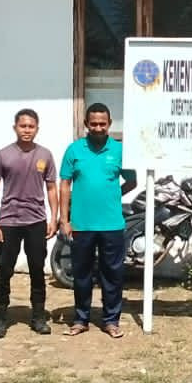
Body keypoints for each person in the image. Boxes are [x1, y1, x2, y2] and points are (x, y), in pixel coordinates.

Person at [59, 103, 136, 338]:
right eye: (94, 123)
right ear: (86, 125)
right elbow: (64, 184)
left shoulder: (120, 150)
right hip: (82, 224)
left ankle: (111, 320)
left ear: (110, 124)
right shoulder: (74, 150)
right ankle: (81, 318)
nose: (98, 127)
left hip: (112, 224)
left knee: (112, 274)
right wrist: (64, 219)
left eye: (103, 123)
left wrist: (112, 197)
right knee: (81, 274)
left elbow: (131, 181)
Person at [0, 109, 59, 338]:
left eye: (31, 126)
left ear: (37, 128)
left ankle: (38, 317)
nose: (26, 130)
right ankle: (0, 319)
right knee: (4, 271)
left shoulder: (45, 155)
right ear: (15, 127)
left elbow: (51, 188)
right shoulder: (3, 155)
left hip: (36, 221)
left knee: (37, 271)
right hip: (9, 221)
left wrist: (53, 218)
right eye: (22, 126)